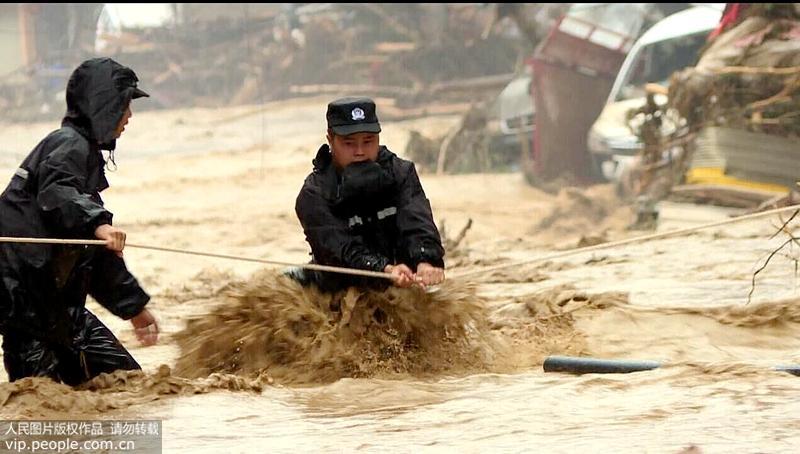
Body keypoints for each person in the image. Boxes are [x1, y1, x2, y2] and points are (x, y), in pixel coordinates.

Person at [0, 57, 158, 386]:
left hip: (60, 312)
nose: (129, 116)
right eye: (125, 105)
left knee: (128, 387)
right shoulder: (67, 145)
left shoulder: (81, 153)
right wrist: (98, 222)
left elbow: (95, 256)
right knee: (40, 410)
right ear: (104, 106)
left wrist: (134, 308)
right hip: (29, 314)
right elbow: (58, 193)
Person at [294, 97, 445, 292]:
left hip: (405, 281)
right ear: (330, 140)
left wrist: (426, 260)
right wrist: (383, 269)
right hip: (340, 288)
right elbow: (337, 248)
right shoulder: (314, 193)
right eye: (349, 143)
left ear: (379, 138)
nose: (360, 152)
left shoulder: (400, 173)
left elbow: (417, 220)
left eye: (368, 141)